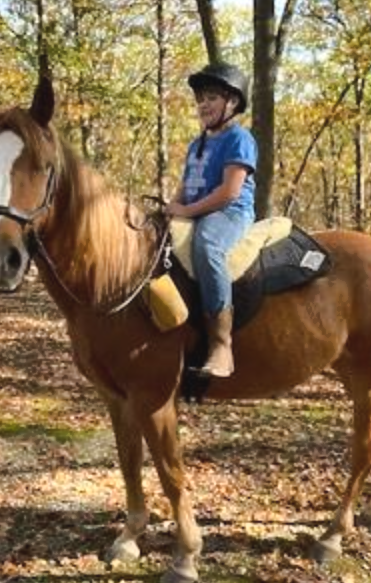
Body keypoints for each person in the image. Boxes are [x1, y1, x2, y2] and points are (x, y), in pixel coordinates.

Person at [165, 61, 258, 378]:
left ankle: (221, 345)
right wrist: (172, 206)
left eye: (212, 98)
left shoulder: (239, 139)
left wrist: (188, 212)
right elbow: (186, 185)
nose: (203, 104)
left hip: (228, 214)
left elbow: (230, 191)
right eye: (200, 99)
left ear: (232, 103)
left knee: (207, 245)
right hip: (196, 209)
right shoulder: (197, 143)